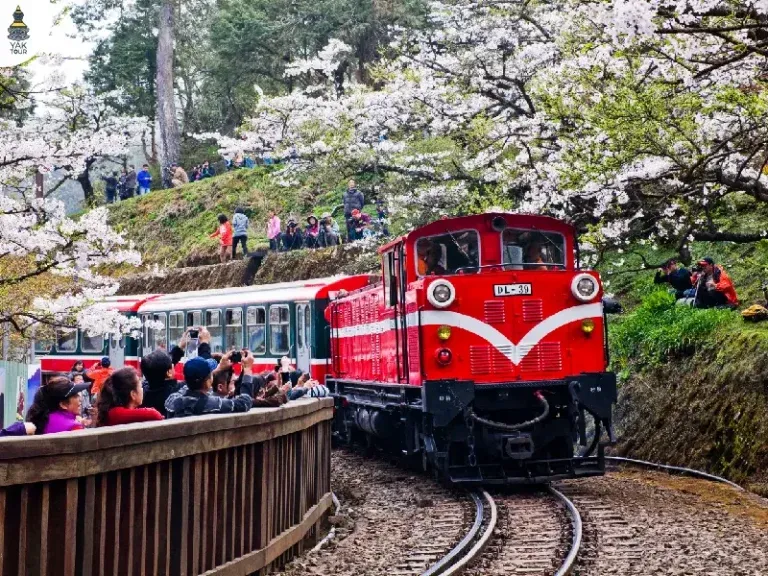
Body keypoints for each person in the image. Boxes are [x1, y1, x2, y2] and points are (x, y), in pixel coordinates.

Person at [165, 352, 255, 418]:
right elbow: (245, 402)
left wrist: (217, 369)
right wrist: (247, 370)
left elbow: (188, 386)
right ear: (208, 382)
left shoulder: (172, 400)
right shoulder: (212, 404)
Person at [97, 368, 164, 426]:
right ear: (133, 394)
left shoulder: (112, 412)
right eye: (140, 386)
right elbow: (154, 414)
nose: (142, 389)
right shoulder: (115, 414)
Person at [26, 376, 91, 434]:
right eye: (75, 396)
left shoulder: (43, 419)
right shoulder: (74, 427)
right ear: (63, 404)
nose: (80, 399)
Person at [140, 349, 182, 417]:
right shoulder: (177, 391)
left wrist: (179, 349)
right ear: (169, 373)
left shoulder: (143, 393)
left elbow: (159, 368)